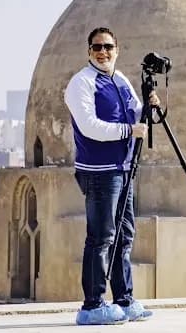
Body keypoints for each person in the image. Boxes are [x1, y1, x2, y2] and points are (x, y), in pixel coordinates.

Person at [64, 27, 158, 326]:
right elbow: (90, 126)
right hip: (100, 172)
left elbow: (133, 112)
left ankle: (124, 300)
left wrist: (149, 105)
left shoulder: (119, 79)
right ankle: (92, 305)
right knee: (101, 238)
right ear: (88, 51)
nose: (102, 52)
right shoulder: (81, 83)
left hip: (123, 168)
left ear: (117, 48)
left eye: (107, 47)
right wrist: (129, 131)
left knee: (124, 235)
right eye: (96, 48)